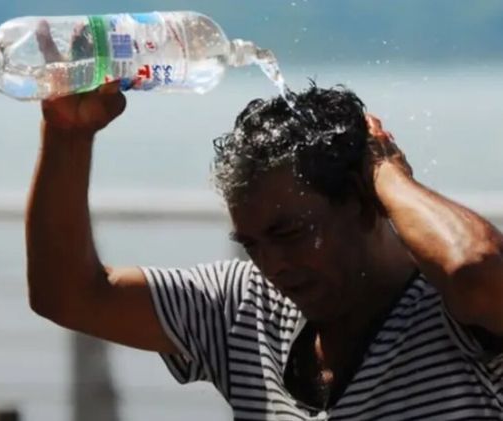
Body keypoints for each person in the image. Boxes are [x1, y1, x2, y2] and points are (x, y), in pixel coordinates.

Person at [26, 24, 503, 421]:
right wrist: (68, 136)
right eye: (251, 244)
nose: (272, 266)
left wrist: (386, 170)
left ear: (361, 203)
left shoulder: (453, 315)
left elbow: (477, 271)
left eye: (290, 233)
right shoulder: (245, 306)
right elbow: (68, 295)